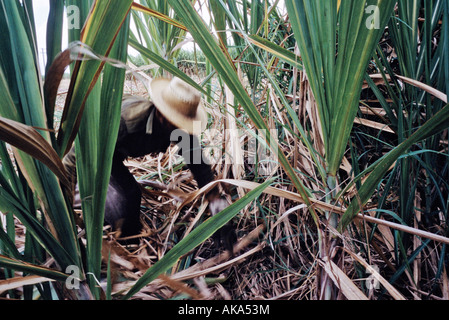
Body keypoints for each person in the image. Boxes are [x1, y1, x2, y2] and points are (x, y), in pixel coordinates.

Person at [64, 77, 235, 250]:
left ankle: (128, 240)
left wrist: (218, 209)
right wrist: (62, 205)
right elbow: (74, 159)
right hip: (106, 150)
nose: (181, 131)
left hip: (118, 146)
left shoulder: (179, 129)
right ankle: (127, 247)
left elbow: (200, 167)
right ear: (161, 114)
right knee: (129, 196)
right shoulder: (123, 122)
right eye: (176, 123)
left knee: (128, 198)